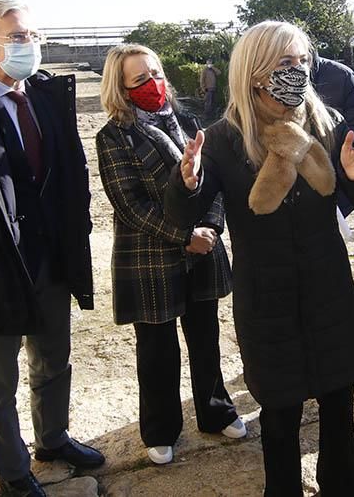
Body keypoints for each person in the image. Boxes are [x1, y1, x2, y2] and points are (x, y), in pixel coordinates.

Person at [166, 21, 354, 496]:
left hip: (328, 285)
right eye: (285, 63)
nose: (297, 71)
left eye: (304, 61)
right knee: (280, 411)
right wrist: (186, 181)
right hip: (265, 295)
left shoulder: (329, 125)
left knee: (338, 398)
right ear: (255, 70)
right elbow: (187, 211)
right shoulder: (224, 138)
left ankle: (341, 487)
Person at [0, 0, 103, 497]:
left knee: (54, 356)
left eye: (33, 36)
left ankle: (52, 439)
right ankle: (12, 471)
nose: (29, 46)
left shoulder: (49, 95)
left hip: (52, 257)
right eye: (17, 38)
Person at [95, 44, 244, 466]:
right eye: (140, 79)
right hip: (150, 257)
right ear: (121, 88)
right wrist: (184, 235)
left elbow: (214, 182)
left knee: (206, 339)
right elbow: (130, 205)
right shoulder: (113, 136)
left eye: (156, 73)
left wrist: (211, 228)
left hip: (203, 250)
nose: (153, 84)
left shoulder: (189, 120)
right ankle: (161, 428)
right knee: (157, 350)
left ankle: (215, 411)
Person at [309, 51, 354, 217]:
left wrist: (345, 172)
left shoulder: (342, 76)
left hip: (332, 197)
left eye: (302, 59)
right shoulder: (256, 78)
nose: (296, 67)